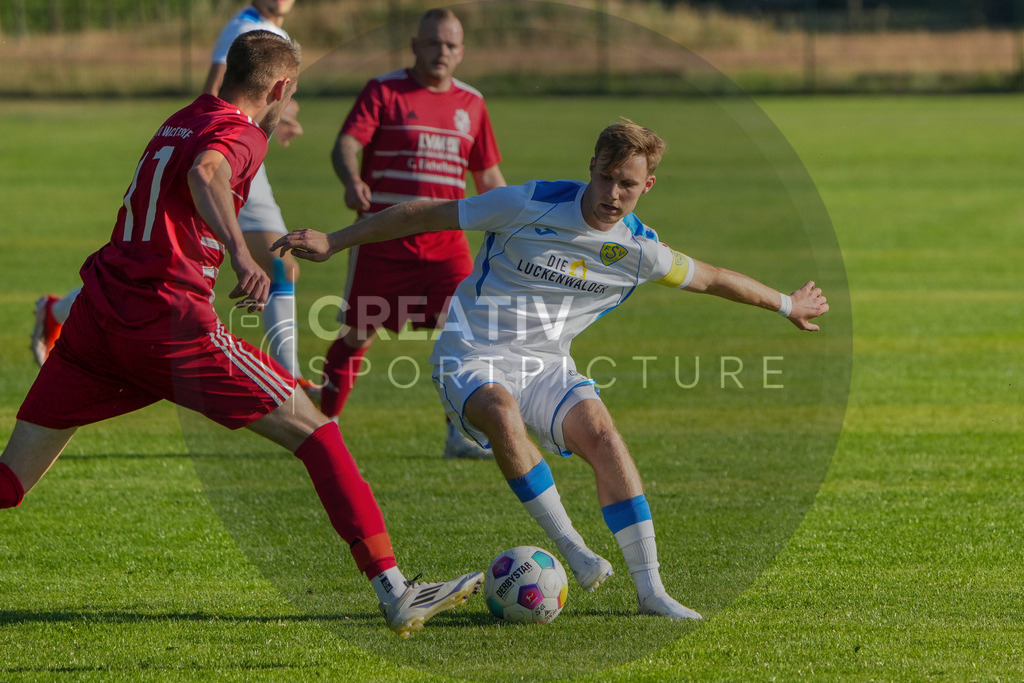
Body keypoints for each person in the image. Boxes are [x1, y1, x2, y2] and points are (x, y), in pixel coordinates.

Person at [2, 30, 481, 639]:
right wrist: (241, 255)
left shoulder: (184, 115)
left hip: (98, 319)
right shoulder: (244, 133)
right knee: (320, 434)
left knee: (11, 481)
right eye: (293, 93)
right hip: (169, 325)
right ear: (280, 88)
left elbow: (193, 169)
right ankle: (396, 590)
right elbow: (208, 172)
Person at [272, 120, 831, 620]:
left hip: (547, 367)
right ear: (590, 167)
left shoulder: (641, 251)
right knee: (499, 409)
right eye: (607, 177)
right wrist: (335, 239)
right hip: (469, 354)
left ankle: (651, 590)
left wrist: (786, 304)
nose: (614, 195)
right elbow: (428, 214)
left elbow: (711, 278)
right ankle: (571, 548)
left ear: (647, 186)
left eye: (628, 184)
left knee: (606, 438)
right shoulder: (525, 203)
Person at [32, 0, 315, 397]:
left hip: (243, 151)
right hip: (223, 152)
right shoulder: (243, 29)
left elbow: (258, 98)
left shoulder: (275, 35)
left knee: (279, 265)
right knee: (171, 256)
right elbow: (220, 93)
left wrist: (274, 122)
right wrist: (238, 138)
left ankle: (291, 376)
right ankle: (291, 380)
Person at [325, 7, 505, 458]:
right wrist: (351, 180)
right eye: (432, 43)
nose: (440, 52)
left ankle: (459, 435)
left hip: (447, 248)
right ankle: (321, 427)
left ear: (461, 52)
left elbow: (489, 177)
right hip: (381, 242)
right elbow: (347, 143)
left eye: (449, 45)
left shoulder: (473, 103)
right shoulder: (384, 90)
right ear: (415, 46)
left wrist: (514, 222)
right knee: (356, 334)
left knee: (464, 335)